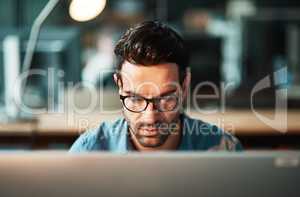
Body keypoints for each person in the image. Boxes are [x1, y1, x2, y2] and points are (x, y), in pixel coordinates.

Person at [70, 21, 242, 152]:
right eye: (135, 99)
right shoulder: (89, 151)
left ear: (185, 85)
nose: (150, 118)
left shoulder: (224, 151)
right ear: (119, 86)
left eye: (166, 98)